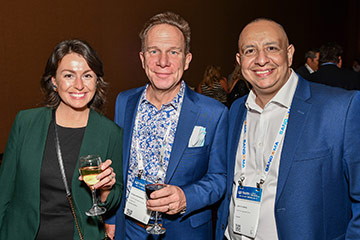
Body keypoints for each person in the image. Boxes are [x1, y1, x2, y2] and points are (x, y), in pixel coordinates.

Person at [216, 18, 360, 240]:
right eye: (250, 50)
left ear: (290, 53)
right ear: (239, 60)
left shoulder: (340, 109)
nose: (261, 59)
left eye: (271, 48)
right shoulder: (236, 110)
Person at [106, 11, 228, 240]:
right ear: (142, 58)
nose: (163, 61)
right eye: (154, 51)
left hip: (184, 231)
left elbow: (220, 177)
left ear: (187, 59)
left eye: (173, 52)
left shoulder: (214, 113)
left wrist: (186, 197)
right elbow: (118, 168)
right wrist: (112, 219)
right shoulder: (124, 101)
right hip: (130, 229)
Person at [0, 39, 123, 239]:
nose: (79, 85)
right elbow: (4, 190)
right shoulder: (26, 122)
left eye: (87, 75)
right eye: (68, 75)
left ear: (97, 81)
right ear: (54, 81)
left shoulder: (111, 133)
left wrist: (106, 189)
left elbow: (114, 198)